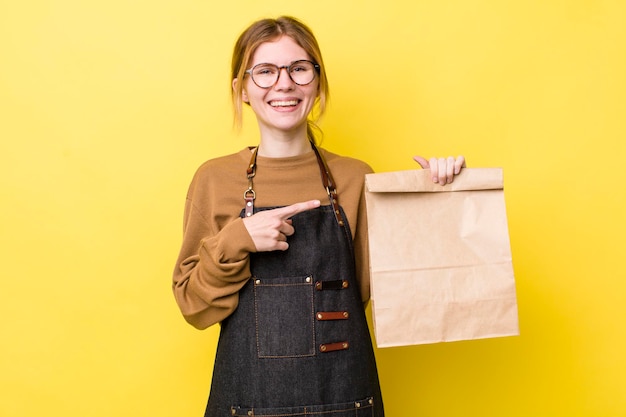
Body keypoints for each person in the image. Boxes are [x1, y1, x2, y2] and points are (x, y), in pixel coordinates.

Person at [172, 16, 465, 417]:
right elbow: (194, 307)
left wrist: (439, 198)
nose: (284, 84)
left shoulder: (356, 177)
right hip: (247, 406)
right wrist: (236, 238)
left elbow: (407, 292)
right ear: (242, 89)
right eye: (265, 71)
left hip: (347, 403)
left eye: (299, 68)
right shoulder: (215, 180)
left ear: (317, 81)